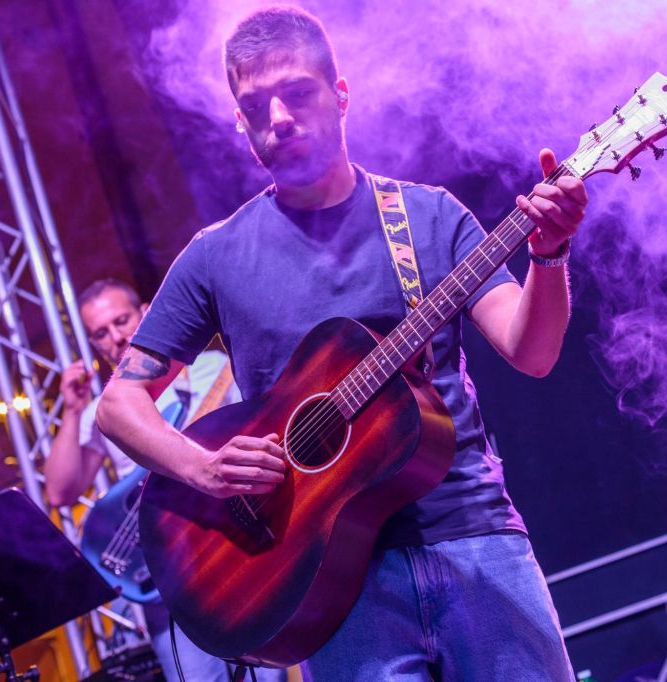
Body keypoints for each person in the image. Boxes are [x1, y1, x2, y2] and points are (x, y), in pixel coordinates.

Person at [97, 5, 588, 681]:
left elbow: (531, 351)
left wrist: (549, 255)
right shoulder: (214, 257)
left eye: (297, 93)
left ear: (341, 95)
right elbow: (118, 404)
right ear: (240, 122)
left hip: (471, 536)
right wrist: (201, 468)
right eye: (255, 107)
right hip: (322, 580)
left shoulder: (427, 216)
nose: (278, 118)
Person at [44, 278, 284, 682]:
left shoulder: (214, 369)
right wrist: (70, 411)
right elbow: (59, 491)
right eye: (100, 333)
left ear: (146, 312)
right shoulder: (105, 407)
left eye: (122, 321)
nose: (115, 337)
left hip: (235, 548)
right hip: (165, 570)